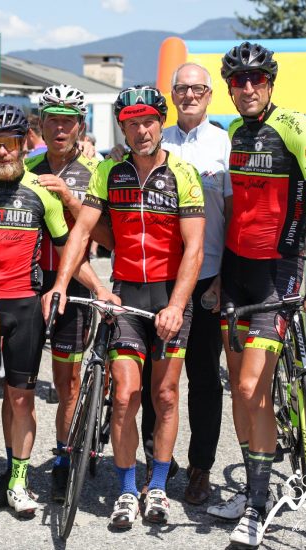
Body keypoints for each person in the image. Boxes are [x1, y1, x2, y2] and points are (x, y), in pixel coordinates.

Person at [44, 85, 205, 528]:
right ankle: (127, 490)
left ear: (160, 123)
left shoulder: (183, 173)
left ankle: (159, 486)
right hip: (128, 296)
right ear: (122, 128)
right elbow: (81, 231)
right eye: (132, 124)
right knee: (124, 397)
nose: (141, 131)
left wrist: (177, 305)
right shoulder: (108, 172)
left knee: (165, 395)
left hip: (170, 297)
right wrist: (60, 285)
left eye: (148, 121)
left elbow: (194, 249)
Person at [0, 102, 108, 519]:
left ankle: (18, 483)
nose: (3, 151)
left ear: (24, 143)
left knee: (21, 400)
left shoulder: (41, 190)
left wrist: (100, 289)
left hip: (25, 306)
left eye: (10, 143)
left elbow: (69, 251)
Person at [212, 42, 306, 548]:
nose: (247, 87)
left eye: (256, 79)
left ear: (270, 82)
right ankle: (254, 488)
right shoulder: (235, 133)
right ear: (229, 88)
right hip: (235, 272)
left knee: (251, 388)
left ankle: (257, 507)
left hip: (277, 272)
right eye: (238, 80)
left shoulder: (294, 126)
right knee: (240, 391)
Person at [109, 64, 233, 505]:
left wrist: (223, 278)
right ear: (172, 96)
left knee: (203, 377)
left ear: (210, 94)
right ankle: (154, 464)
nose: (189, 95)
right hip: (155, 278)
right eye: (182, 88)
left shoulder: (224, 144)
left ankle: (200, 467)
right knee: (150, 382)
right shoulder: (152, 139)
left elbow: (233, 217)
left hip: (206, 276)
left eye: (198, 88)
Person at [24, 84, 99, 502]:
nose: (59, 128)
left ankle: (65, 459)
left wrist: (69, 198)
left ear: (79, 127)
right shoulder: (27, 166)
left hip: (75, 283)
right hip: (30, 283)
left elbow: (103, 233)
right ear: (40, 124)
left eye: (67, 122)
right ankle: (19, 465)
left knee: (67, 383)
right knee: (22, 383)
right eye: (52, 120)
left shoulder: (94, 171)